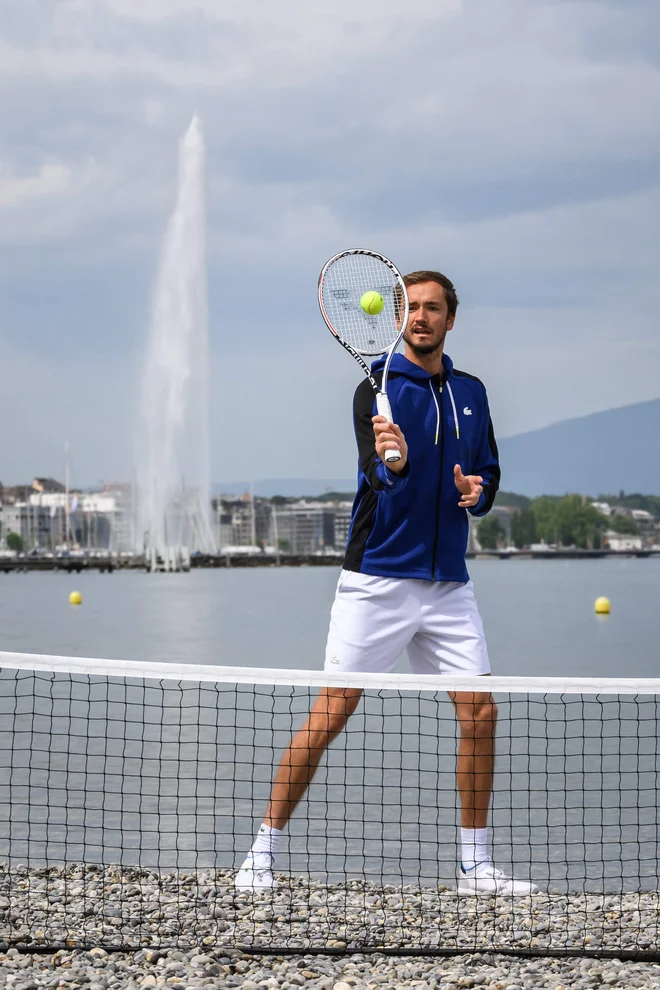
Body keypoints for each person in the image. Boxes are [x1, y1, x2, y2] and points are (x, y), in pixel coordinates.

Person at [236, 270, 538, 896]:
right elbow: (378, 478)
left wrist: (478, 495)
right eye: (411, 307)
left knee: (482, 715)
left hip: (449, 584)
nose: (421, 317)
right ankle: (261, 852)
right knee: (330, 714)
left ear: (450, 319)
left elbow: (486, 475)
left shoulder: (473, 393)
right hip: (376, 580)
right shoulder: (373, 389)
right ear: (397, 316)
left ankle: (475, 865)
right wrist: (392, 463)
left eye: (433, 308)